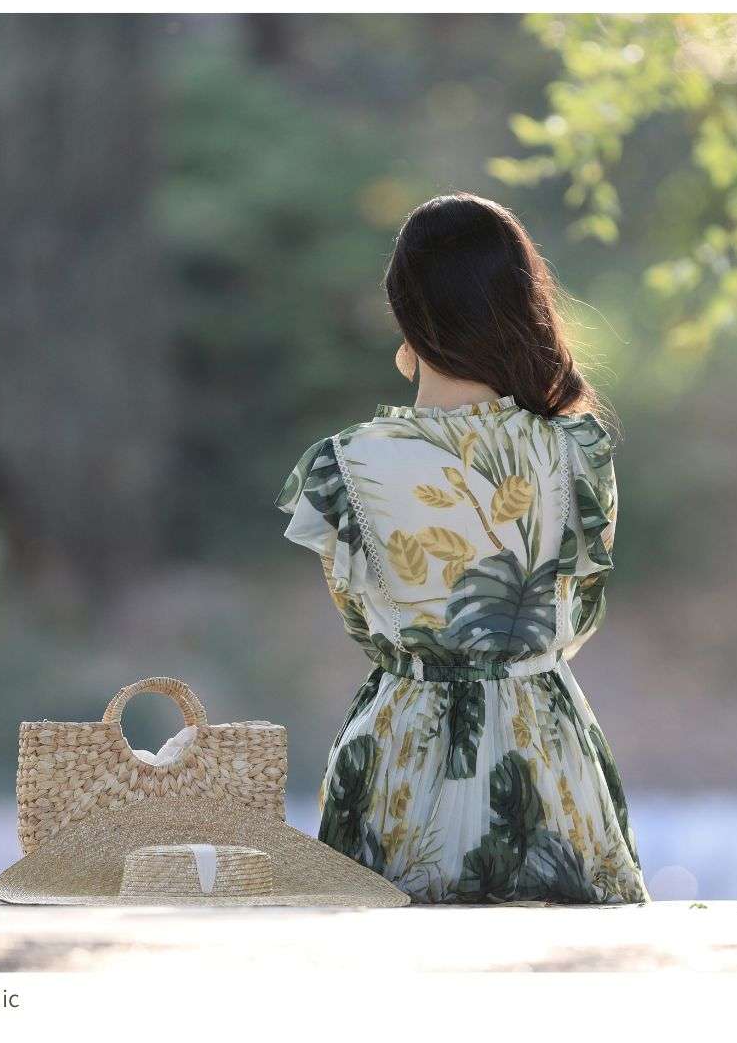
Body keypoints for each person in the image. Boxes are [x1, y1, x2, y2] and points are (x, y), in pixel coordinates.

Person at [275, 192, 649, 904]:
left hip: (399, 763)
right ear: (523, 301)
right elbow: (579, 611)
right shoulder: (579, 451)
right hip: (546, 755)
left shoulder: (344, 466)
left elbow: (363, 621)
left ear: (404, 312)